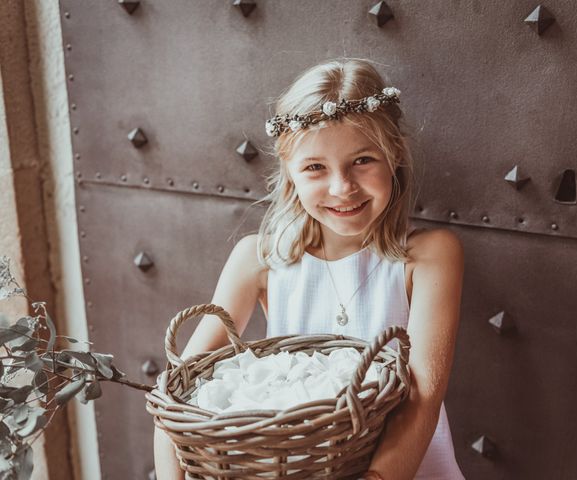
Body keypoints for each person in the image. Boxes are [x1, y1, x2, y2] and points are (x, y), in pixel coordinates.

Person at [154, 58, 465, 480]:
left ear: (394, 156)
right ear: (290, 172)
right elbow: (175, 397)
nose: (342, 188)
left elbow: (423, 396)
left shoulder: (429, 256)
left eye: (363, 160)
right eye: (315, 167)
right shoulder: (259, 259)